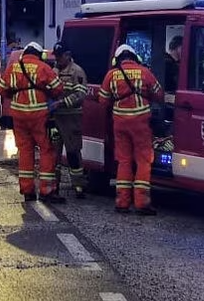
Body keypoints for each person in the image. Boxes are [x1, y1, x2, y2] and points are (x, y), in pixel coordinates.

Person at [97, 44, 165, 215]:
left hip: (120, 124)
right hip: (141, 123)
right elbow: (159, 94)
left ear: (117, 59)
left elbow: (103, 100)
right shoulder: (145, 72)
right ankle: (142, 203)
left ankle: (122, 202)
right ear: (135, 58)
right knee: (143, 160)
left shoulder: (111, 74)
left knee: (124, 161)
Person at [0, 42, 64, 203]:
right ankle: (46, 190)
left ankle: (28, 191)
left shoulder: (13, 67)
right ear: (39, 54)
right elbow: (58, 88)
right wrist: (47, 92)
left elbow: (1, 88)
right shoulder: (42, 67)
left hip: (18, 115)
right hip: (38, 114)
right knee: (46, 150)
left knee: (25, 151)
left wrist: (14, 93)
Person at [47, 42, 90, 197]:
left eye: (60, 56)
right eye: (56, 56)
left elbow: (80, 95)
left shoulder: (77, 72)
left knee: (73, 152)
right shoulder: (53, 71)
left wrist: (62, 102)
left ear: (68, 55)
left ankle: (78, 185)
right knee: (54, 153)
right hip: (55, 118)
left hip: (71, 117)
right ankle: (54, 186)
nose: (57, 59)